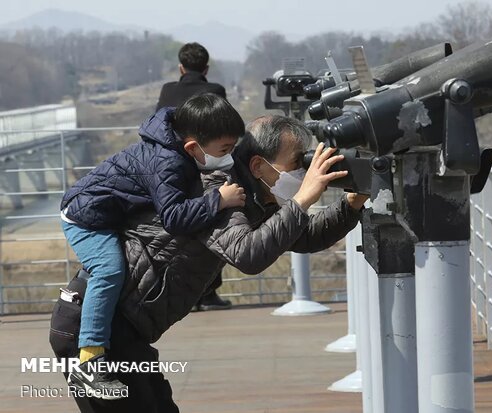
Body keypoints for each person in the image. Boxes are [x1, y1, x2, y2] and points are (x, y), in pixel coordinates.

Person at [50, 115, 368, 412]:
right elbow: (248, 255)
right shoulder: (217, 191)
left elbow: (302, 236)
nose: (303, 173)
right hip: (95, 331)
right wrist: (303, 198)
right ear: (258, 165)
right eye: (297, 163)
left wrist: (351, 204)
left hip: (125, 330)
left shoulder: (254, 197)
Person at [58, 93, 246, 398]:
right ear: (192, 147)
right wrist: (219, 200)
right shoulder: (167, 162)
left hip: (107, 213)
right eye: (225, 149)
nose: (230, 155)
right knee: (108, 271)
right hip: (84, 217)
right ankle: (89, 361)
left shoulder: (178, 148)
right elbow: (173, 217)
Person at [156, 41, 231, 311]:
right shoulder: (214, 90)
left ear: (180, 67)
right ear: (206, 68)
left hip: (171, 169)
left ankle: (177, 295)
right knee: (211, 226)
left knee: (175, 232)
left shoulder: (167, 90)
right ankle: (208, 294)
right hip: (206, 169)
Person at [156, 42, 226, 111]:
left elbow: (158, 119)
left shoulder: (168, 89)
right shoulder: (217, 91)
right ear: (206, 69)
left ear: (181, 69)